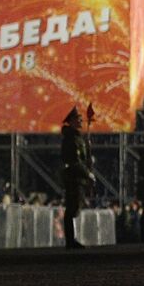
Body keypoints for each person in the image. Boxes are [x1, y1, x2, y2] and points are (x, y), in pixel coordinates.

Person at [60, 105, 95, 249]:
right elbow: (75, 160)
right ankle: (70, 240)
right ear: (72, 121)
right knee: (72, 208)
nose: (81, 121)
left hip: (78, 178)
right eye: (78, 119)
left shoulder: (77, 138)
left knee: (75, 207)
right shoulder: (71, 139)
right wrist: (87, 173)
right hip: (74, 178)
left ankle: (72, 239)